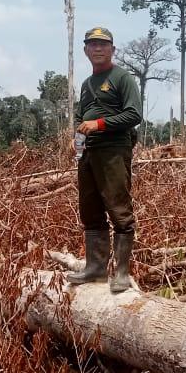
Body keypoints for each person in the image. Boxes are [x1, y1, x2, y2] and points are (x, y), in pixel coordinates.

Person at [67, 27, 143, 293]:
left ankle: (121, 272)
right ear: (86, 50)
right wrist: (77, 133)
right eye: (92, 45)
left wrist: (99, 124)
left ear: (112, 49)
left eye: (103, 45)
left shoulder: (122, 78)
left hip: (113, 150)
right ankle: (95, 268)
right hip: (88, 152)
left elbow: (134, 115)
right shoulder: (87, 85)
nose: (98, 49)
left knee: (119, 209)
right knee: (90, 210)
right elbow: (79, 116)